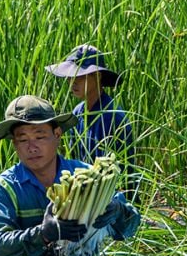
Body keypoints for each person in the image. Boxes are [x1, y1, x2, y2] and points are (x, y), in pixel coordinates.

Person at [0, 95, 141, 256]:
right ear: (14, 144)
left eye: (39, 137)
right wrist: (43, 234)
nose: (31, 147)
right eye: (23, 140)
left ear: (57, 134)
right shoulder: (5, 188)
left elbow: (130, 229)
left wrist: (118, 212)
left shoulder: (87, 178)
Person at [46, 45, 137, 195]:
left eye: (79, 76)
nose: (72, 82)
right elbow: (74, 161)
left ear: (98, 76)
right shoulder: (78, 112)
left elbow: (119, 175)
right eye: (70, 77)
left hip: (111, 197)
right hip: (83, 192)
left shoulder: (112, 116)